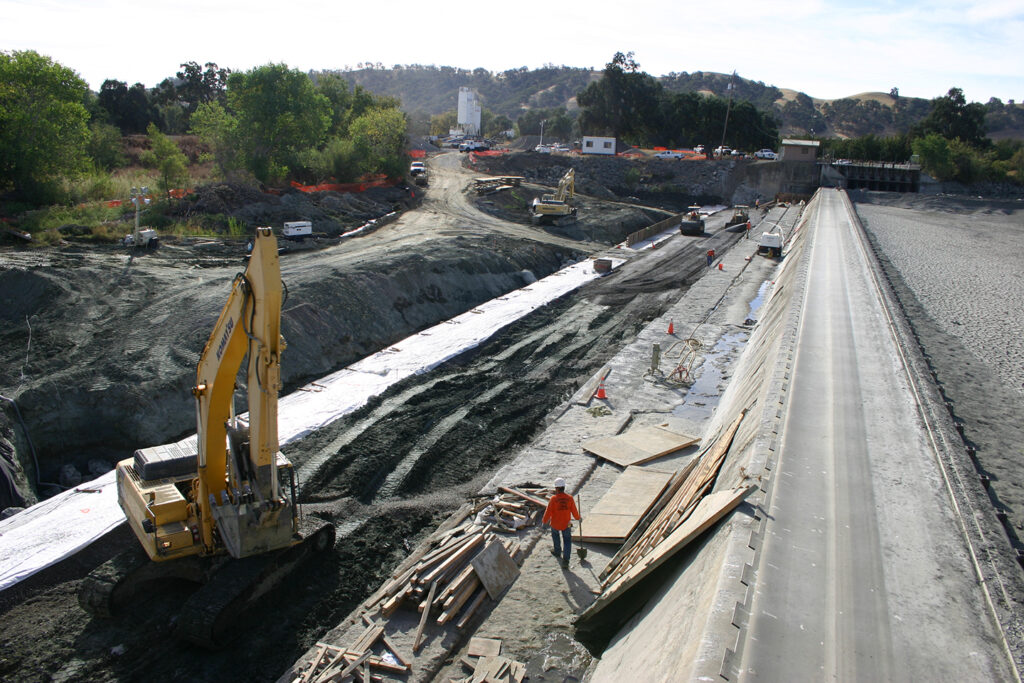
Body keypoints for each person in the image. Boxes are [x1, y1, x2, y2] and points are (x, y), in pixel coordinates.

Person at [542, 477, 581, 569]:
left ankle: (557, 551)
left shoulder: (553, 499)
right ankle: (566, 561)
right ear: (563, 487)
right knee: (567, 541)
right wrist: (578, 518)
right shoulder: (570, 498)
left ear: (557, 488)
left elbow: (548, 512)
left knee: (555, 537)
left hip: (555, 523)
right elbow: (574, 511)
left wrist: (544, 521)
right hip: (566, 524)